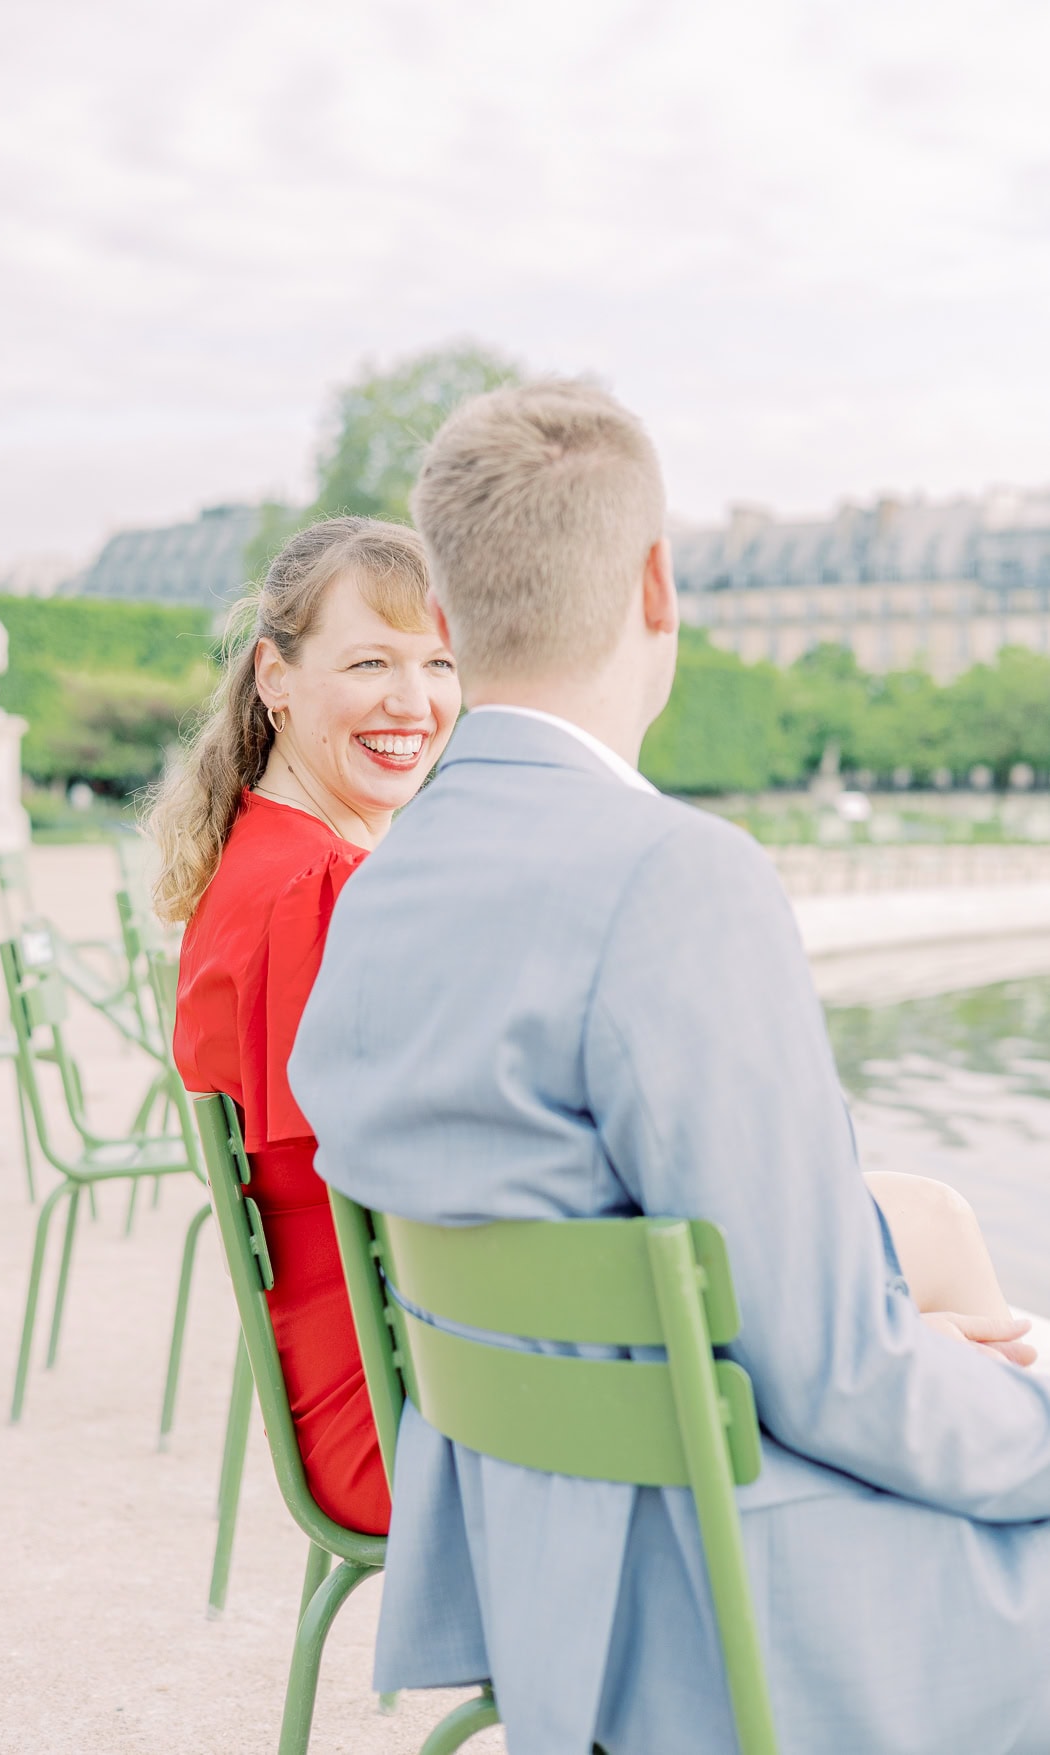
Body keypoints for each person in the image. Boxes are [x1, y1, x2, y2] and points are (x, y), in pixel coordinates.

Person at [289, 382, 1050, 1755]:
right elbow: (839, 1378)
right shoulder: (675, 878)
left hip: (533, 1543)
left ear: (448, 625)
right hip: (707, 1582)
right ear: (656, 583)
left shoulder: (385, 880)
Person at [146, 516, 460, 1534]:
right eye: (371, 660)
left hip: (385, 1367)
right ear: (276, 679)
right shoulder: (318, 893)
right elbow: (418, 1198)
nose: (413, 702)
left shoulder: (268, 859)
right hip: (404, 1409)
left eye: (439, 662)